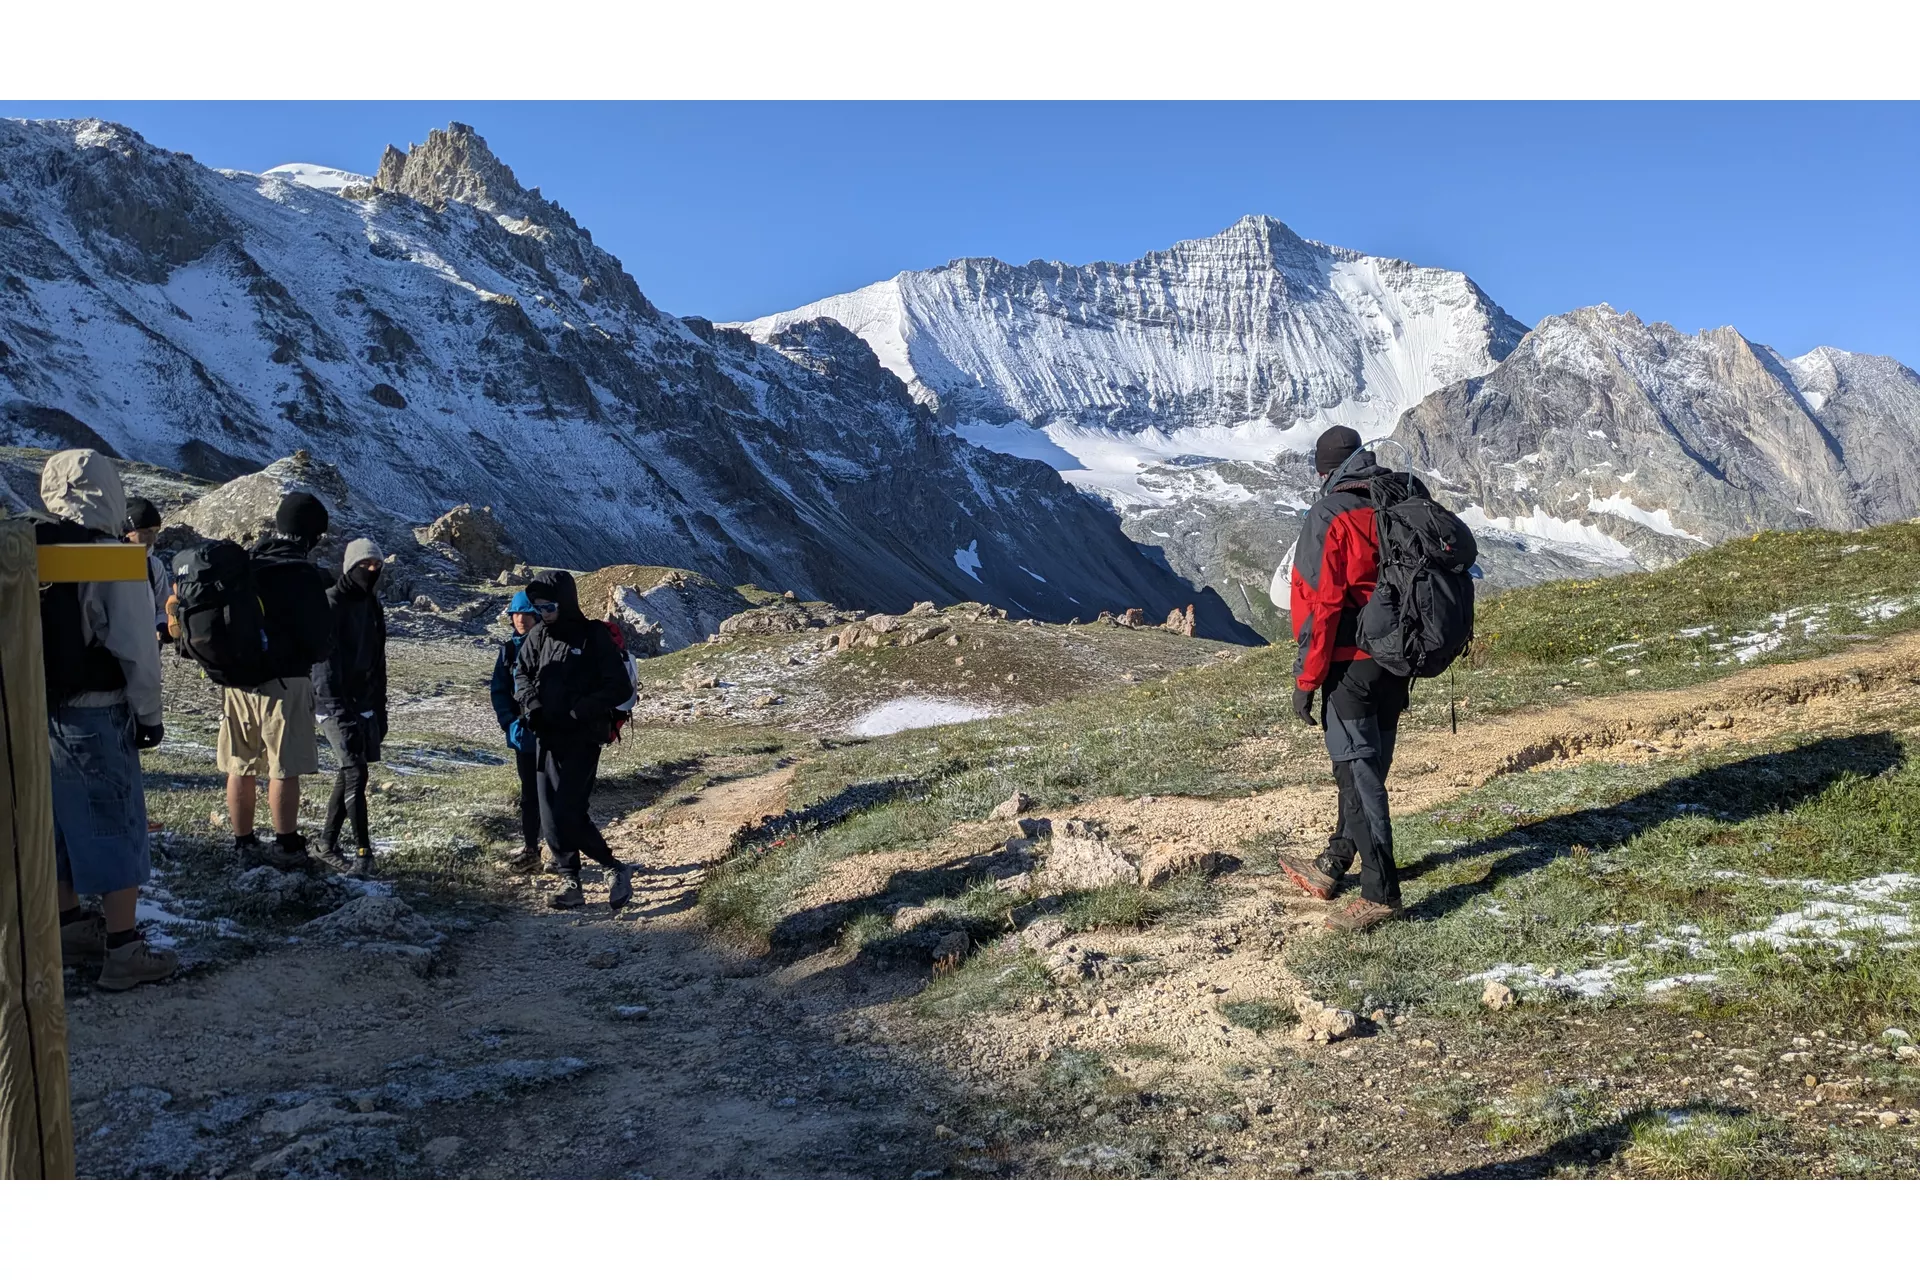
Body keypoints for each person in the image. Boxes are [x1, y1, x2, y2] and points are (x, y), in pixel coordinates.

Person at [37, 450, 178, 990]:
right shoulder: (110, 560)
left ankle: (68, 926)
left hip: (41, 711)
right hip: (98, 711)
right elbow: (138, 648)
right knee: (116, 823)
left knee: (59, 825)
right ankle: (122, 950)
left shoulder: (31, 552)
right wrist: (149, 716)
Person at [1275, 426, 1411, 932]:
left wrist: (1306, 680)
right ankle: (1335, 862)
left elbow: (1322, 605)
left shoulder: (1330, 513)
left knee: (1357, 776)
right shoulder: (1397, 498)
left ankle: (1380, 894)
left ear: (1325, 471)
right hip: (1399, 661)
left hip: (1352, 662)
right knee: (1367, 770)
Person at [217, 492, 331, 872]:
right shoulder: (303, 575)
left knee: (240, 764)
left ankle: (243, 842)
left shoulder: (248, 565)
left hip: (237, 683)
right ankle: (285, 844)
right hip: (285, 684)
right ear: (312, 535)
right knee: (283, 767)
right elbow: (319, 640)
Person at [513, 570, 635, 910]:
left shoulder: (593, 635)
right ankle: (571, 881)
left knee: (568, 811)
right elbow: (521, 674)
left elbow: (619, 688)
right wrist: (532, 704)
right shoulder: (537, 637)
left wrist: (582, 710)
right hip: (546, 737)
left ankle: (614, 868)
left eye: (550, 605)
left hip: (582, 738)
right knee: (550, 815)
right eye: (539, 607)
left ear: (566, 602)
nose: (544, 612)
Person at [313, 537, 388, 877]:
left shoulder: (372, 604)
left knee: (352, 771)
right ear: (350, 567)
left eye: (377, 566)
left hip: (364, 700)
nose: (371, 571)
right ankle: (363, 854)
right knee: (356, 770)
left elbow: (378, 659)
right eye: (365, 566)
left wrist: (380, 708)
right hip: (333, 702)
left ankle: (326, 844)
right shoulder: (331, 603)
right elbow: (325, 670)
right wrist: (341, 716)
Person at [491, 591, 547, 873]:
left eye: (525, 614)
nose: (520, 619)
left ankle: (559, 851)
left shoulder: (550, 645)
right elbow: (499, 692)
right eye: (515, 614)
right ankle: (531, 849)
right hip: (524, 734)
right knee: (529, 794)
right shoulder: (509, 650)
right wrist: (509, 723)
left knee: (552, 792)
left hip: (552, 734)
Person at [123, 496, 170, 648]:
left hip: (148, 647)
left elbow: (163, 605)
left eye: (156, 532)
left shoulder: (154, 565)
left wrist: (160, 627)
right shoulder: (108, 564)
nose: (152, 539)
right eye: (145, 532)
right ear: (126, 531)